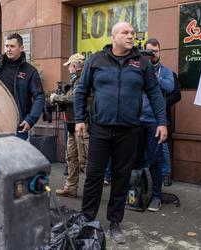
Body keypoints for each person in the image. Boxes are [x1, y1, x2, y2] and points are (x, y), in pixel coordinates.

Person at [74, 22, 167, 244]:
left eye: (133, 33)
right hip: (100, 129)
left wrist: (162, 122)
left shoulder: (142, 63)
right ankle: (87, 219)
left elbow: (154, 93)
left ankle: (115, 222)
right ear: (113, 36)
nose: (131, 36)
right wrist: (79, 119)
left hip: (129, 130)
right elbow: (81, 90)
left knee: (121, 177)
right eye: (125, 32)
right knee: (94, 176)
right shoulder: (96, 60)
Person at [0, 33, 45, 140]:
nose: (8, 49)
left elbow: (39, 96)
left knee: (16, 156)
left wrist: (31, 119)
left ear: (21, 48)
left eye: (12, 46)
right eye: (6, 46)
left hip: (19, 126)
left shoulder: (30, 71)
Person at [141, 38, 174, 212]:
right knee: (134, 160)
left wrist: (153, 76)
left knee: (156, 160)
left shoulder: (165, 71)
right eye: (149, 51)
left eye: (155, 51)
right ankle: (137, 193)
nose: (152, 55)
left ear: (160, 52)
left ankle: (156, 197)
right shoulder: (138, 68)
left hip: (155, 121)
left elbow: (169, 87)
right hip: (137, 120)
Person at [51, 53, 88, 198]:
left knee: (84, 161)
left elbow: (74, 98)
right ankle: (70, 188)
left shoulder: (82, 80)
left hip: (82, 126)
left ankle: (92, 192)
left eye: (70, 66)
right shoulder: (76, 80)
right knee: (72, 158)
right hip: (72, 125)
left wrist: (56, 98)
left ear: (75, 66)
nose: (69, 69)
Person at [163, 72, 181, 186]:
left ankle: (166, 175)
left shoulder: (168, 73)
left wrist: (159, 103)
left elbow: (176, 95)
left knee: (164, 146)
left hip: (162, 117)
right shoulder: (139, 69)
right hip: (142, 118)